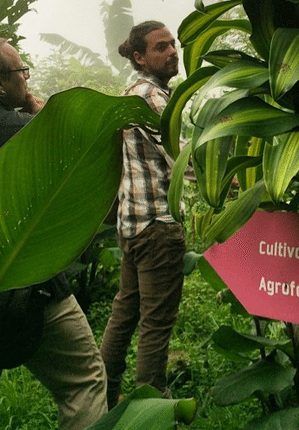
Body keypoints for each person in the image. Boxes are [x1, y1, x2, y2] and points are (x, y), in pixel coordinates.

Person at [0, 37, 108, 430]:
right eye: (21, 71)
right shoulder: (29, 130)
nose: (27, 78)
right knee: (84, 381)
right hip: (31, 288)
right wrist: (40, 116)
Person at [100, 21, 187, 408]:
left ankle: (104, 391)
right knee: (156, 322)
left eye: (173, 44)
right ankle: (152, 403)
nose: (172, 52)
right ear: (140, 57)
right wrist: (225, 175)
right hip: (158, 227)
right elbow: (180, 154)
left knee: (125, 311)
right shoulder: (152, 97)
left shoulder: (130, 94)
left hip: (133, 225)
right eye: (161, 47)